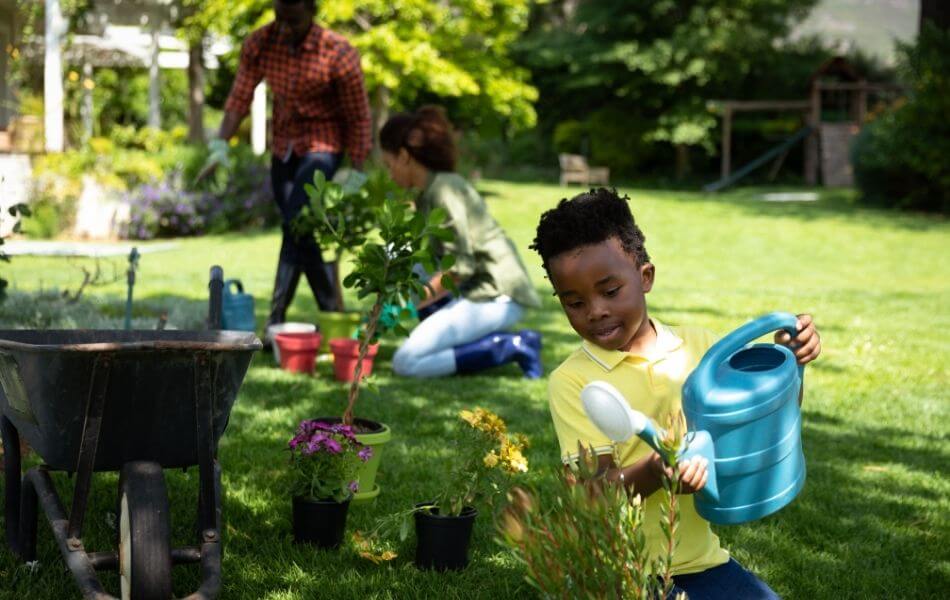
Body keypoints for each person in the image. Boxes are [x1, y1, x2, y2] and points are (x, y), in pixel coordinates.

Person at [530, 188, 821, 599]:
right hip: (622, 571)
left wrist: (793, 366)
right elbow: (591, 495)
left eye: (610, 291)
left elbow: (766, 428)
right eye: (574, 302)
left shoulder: (701, 349)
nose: (595, 310)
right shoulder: (573, 381)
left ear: (645, 277)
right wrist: (654, 471)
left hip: (700, 562)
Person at [202, 0, 372, 340]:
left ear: (311, 11)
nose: (284, 27)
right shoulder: (261, 42)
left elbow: (358, 115)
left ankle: (278, 320)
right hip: (284, 148)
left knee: (297, 218)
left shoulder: (337, 52)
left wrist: (358, 169)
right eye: (279, 17)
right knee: (298, 230)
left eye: (293, 20)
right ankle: (331, 315)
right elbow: (240, 96)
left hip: (323, 147)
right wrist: (220, 145)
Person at [379, 106, 543, 378]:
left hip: (496, 294)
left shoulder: (444, 190)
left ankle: (513, 345)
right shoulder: (429, 192)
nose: (389, 174)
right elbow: (427, 261)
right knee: (398, 258)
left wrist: (405, 306)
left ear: (405, 156)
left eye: (389, 165)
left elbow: (457, 270)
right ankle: (447, 333)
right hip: (474, 290)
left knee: (406, 362)